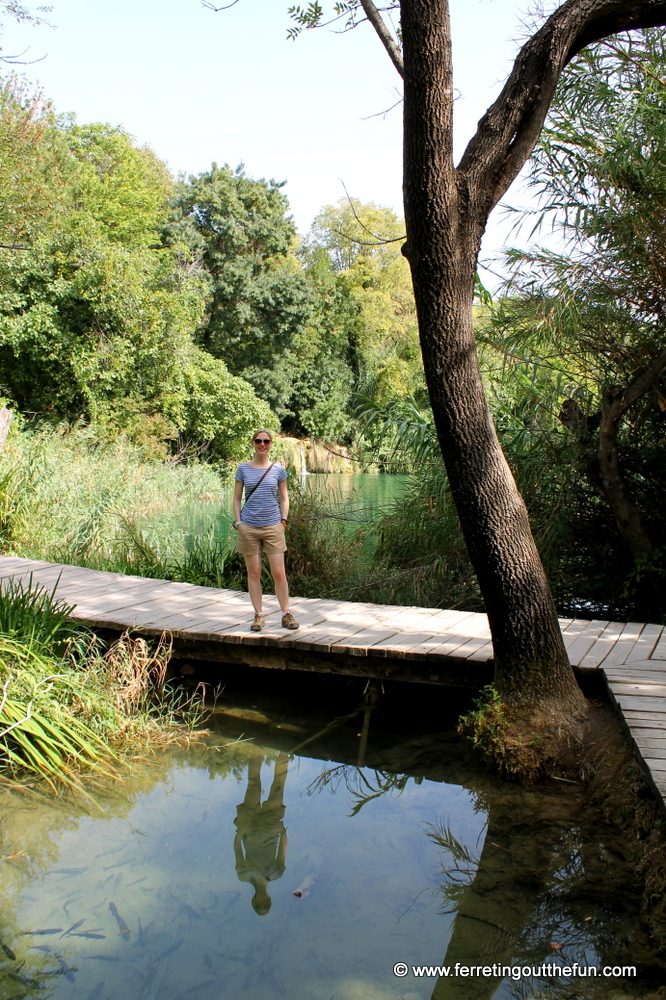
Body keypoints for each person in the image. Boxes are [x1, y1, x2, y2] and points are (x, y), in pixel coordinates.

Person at [232, 429, 298, 632]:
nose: (262, 444)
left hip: (273, 526)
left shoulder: (278, 470)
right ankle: (259, 615)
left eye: (266, 441)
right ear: (253, 443)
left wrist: (283, 522)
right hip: (249, 527)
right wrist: (238, 523)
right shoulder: (243, 468)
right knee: (254, 572)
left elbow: (285, 498)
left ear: (270, 444)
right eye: (259, 441)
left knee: (279, 573)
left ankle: (286, 613)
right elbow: (236, 498)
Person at [233, 750, 289, 915]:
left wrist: (239, 832)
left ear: (255, 900)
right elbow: (282, 852)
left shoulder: (243, 875)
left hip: (248, 827)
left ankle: (256, 746)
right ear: (268, 899)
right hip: (271, 828)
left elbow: (237, 851)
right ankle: (284, 749)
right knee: (278, 785)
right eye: (265, 903)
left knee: (253, 783)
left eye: (260, 903)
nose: (262, 901)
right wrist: (283, 833)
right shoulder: (276, 874)